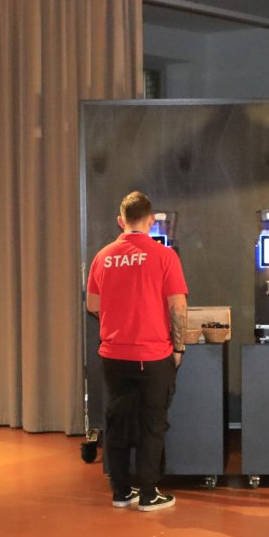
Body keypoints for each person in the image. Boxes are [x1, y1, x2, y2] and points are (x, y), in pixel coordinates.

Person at [86, 190, 188, 512]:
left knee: (117, 422)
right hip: (152, 355)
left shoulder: (103, 256)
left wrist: (120, 317)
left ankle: (120, 491)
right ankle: (148, 493)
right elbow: (178, 306)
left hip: (113, 356)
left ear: (121, 221)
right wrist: (179, 347)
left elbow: (92, 305)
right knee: (152, 424)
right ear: (152, 221)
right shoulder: (164, 256)